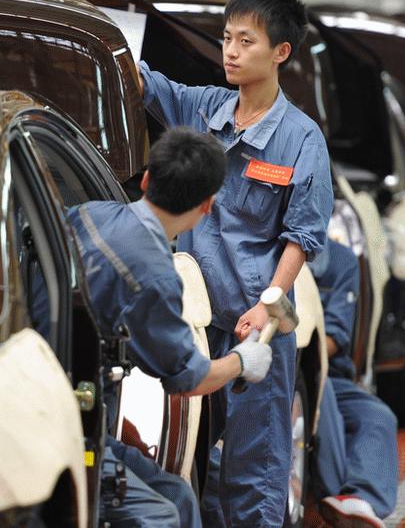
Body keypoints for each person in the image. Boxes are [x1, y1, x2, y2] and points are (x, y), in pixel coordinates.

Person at [138, 0, 334, 526]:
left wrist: (271, 304)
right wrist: (108, 37)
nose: (230, 50)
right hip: (195, 321)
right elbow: (148, 87)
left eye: (246, 41)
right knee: (192, 462)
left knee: (255, 469)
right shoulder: (204, 107)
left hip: (256, 323)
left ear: (281, 52)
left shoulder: (301, 138)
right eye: (226, 38)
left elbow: (303, 236)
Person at [68, 127, 274, 528]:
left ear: (146, 180)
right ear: (207, 207)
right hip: (69, 430)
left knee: (178, 494)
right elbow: (188, 379)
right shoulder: (156, 277)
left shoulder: (90, 214)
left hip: (75, 409)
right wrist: (242, 360)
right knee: (161, 516)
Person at [309, 240, 398, 528]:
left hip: (327, 371)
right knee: (325, 406)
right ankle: (333, 496)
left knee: (378, 417)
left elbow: (338, 335)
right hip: (276, 373)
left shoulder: (340, 260)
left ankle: (360, 500)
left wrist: (308, 356)